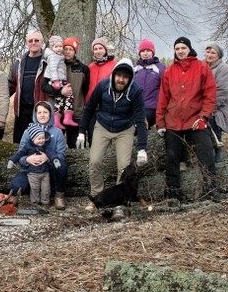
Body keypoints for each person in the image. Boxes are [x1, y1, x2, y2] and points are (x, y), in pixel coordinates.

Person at [77, 58, 148, 207]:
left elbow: (141, 120)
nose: (121, 80)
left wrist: (142, 148)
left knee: (123, 166)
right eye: (119, 75)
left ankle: (120, 202)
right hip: (102, 125)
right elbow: (89, 108)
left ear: (130, 79)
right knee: (94, 161)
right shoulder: (103, 86)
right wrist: (82, 131)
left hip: (125, 128)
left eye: (125, 77)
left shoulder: (135, 91)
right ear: (114, 75)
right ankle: (97, 195)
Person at [156, 37, 219, 201]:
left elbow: (210, 96)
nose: (180, 51)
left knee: (206, 152)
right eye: (177, 49)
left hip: (195, 120)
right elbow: (163, 98)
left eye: (183, 48)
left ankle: (210, 188)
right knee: (172, 156)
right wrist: (160, 122)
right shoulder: (169, 71)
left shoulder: (202, 68)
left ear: (189, 49)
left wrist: (204, 117)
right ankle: (173, 192)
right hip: (174, 121)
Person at [8, 101, 67, 209]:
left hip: (48, 170)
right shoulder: (28, 132)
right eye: (39, 112)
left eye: (45, 112)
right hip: (30, 170)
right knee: (16, 185)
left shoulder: (57, 132)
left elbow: (61, 155)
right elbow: (21, 153)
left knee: (61, 164)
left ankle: (59, 196)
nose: (42, 115)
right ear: (35, 115)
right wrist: (27, 159)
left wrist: (48, 158)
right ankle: (31, 194)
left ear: (50, 114)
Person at [42, 37, 90, 148]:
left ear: (75, 52)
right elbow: (44, 87)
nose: (67, 52)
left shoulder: (83, 69)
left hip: (75, 113)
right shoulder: (51, 65)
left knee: (76, 148)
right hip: (56, 114)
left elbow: (85, 90)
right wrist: (60, 92)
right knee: (53, 146)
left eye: (71, 49)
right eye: (65, 48)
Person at [8, 30, 47, 143]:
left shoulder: (48, 61)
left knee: (39, 142)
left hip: (41, 109)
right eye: (30, 41)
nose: (33, 43)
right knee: (19, 142)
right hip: (22, 110)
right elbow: (11, 84)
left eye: (36, 40)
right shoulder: (19, 62)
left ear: (42, 42)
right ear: (26, 43)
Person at [205, 41, 228, 163]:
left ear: (219, 56)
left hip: (219, 106)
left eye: (213, 52)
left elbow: (222, 92)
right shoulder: (201, 66)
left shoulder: (224, 69)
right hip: (202, 104)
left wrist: (208, 108)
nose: (209, 55)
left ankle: (218, 150)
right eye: (208, 51)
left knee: (212, 119)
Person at [44, 35, 76, 128]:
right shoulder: (53, 57)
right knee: (67, 95)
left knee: (60, 100)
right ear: (52, 47)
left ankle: (59, 119)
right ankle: (65, 118)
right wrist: (56, 81)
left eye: (60, 46)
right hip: (56, 80)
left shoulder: (58, 56)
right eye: (56, 46)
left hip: (60, 79)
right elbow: (53, 69)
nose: (59, 48)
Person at [133, 38, 166, 128]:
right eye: (143, 51)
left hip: (151, 108)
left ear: (153, 52)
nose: (145, 53)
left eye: (148, 50)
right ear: (139, 53)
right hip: (134, 107)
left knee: (139, 124)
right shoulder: (134, 68)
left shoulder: (161, 68)